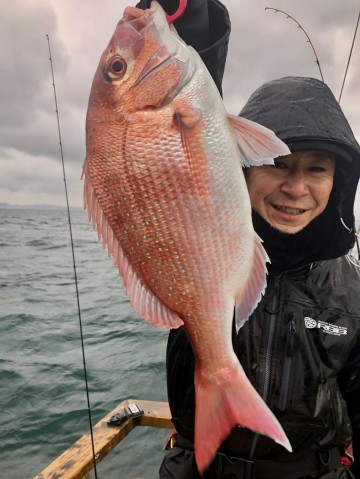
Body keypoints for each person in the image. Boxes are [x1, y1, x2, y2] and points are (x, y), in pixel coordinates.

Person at [137, 1, 360, 477]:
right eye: (277, 163)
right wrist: (188, 23)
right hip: (198, 467)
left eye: (316, 169)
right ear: (242, 163)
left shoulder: (353, 292)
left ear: (337, 183)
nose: (295, 188)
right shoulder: (200, 229)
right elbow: (184, 117)